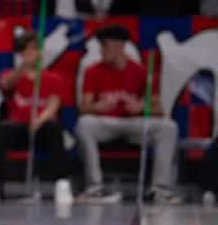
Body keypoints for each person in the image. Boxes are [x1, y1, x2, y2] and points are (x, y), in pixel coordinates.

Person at [75, 25, 181, 204]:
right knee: (84, 123)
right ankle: (94, 187)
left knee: (168, 127)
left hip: (134, 123)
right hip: (105, 122)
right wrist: (96, 107)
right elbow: (84, 108)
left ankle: (160, 189)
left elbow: (159, 110)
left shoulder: (140, 71)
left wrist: (141, 108)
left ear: (120, 46)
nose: (101, 51)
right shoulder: (92, 70)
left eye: (105, 46)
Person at [0, 32, 72, 206]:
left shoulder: (54, 78)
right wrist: (22, 67)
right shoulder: (11, 74)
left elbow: (53, 105)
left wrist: (40, 119)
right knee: (3, 130)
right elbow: (5, 84)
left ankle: (62, 183)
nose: (32, 53)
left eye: (35, 48)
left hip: (41, 127)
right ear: (21, 53)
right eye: (28, 49)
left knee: (54, 128)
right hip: (18, 127)